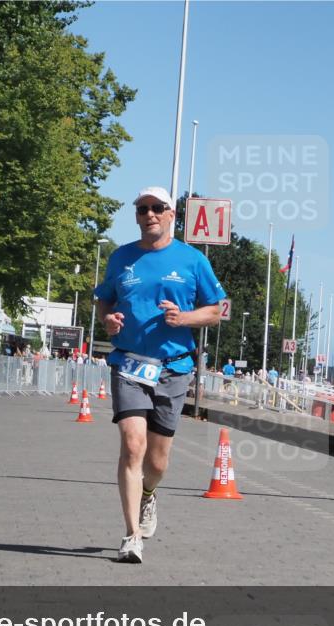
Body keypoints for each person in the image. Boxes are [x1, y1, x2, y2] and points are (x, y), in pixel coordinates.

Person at [95, 186, 225, 563]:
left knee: (157, 461)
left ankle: (149, 495)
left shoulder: (192, 260)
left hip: (174, 368)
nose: (149, 214)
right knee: (132, 445)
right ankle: (131, 535)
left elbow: (215, 310)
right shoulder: (121, 258)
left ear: (171, 215)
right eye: (142, 209)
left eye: (157, 208)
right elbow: (104, 297)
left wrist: (184, 318)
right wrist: (108, 318)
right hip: (130, 363)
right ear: (136, 216)